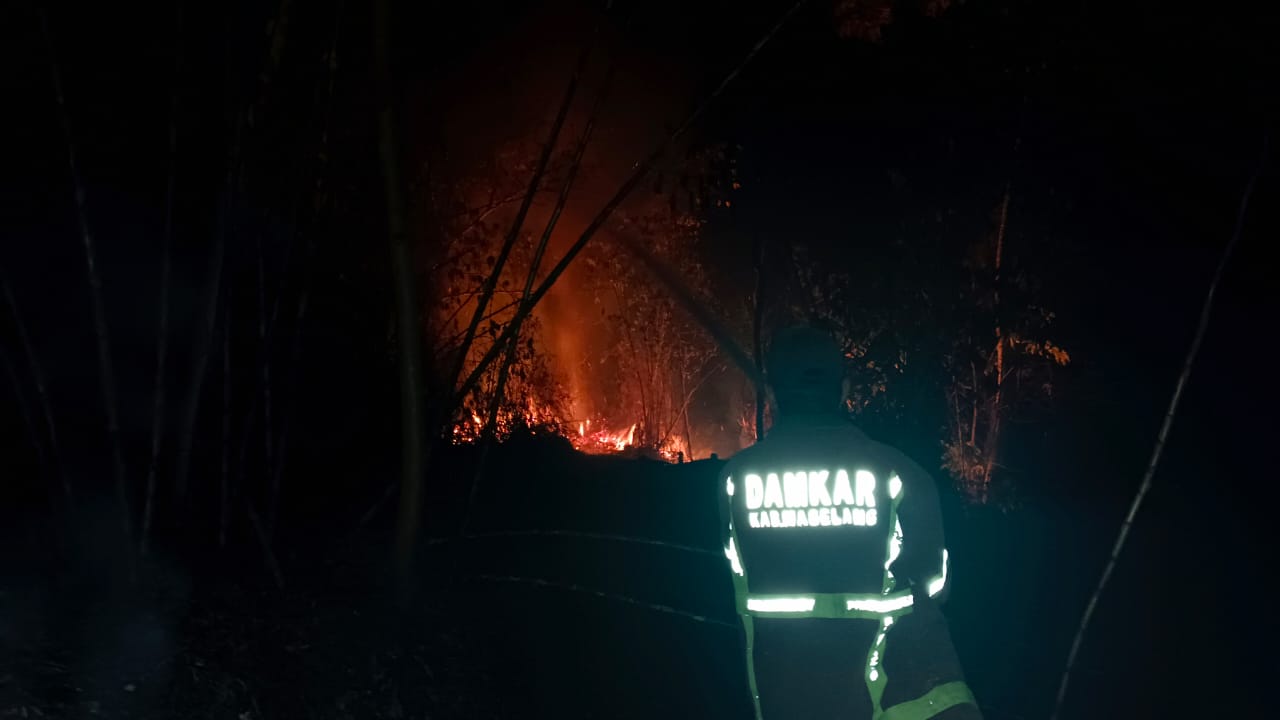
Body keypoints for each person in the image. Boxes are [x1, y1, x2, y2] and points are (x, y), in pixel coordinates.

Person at [719, 326, 982, 720]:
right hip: (903, 698)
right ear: (843, 390)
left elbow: (737, 572)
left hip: (787, 698)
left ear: (771, 394)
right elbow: (935, 586)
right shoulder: (901, 473)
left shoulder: (735, 480)